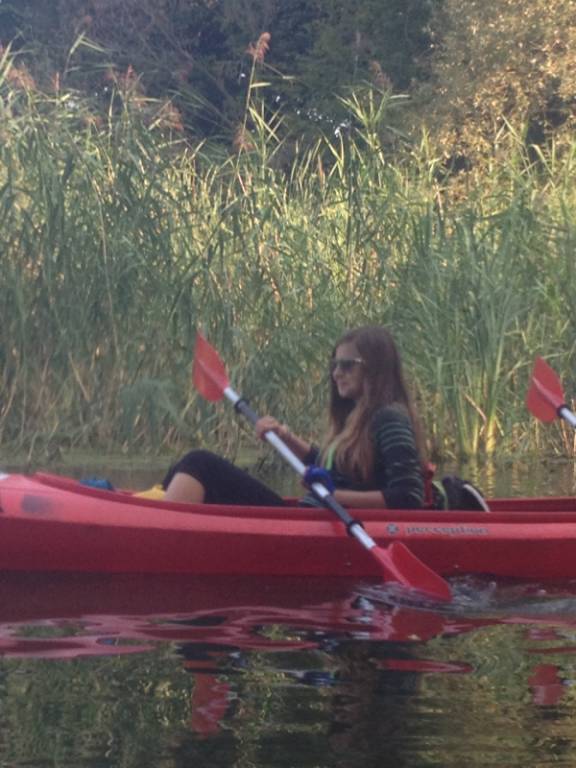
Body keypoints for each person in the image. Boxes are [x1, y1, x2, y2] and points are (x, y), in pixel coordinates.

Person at [162, 325, 426, 509]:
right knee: (182, 466)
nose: (336, 374)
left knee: (200, 464)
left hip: (323, 522)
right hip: (312, 515)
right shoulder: (356, 417)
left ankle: (163, 535)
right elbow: (330, 467)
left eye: (347, 365)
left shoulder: (390, 418)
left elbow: (407, 497)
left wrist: (334, 496)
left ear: (375, 369)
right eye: (334, 365)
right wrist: (285, 437)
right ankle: (158, 517)